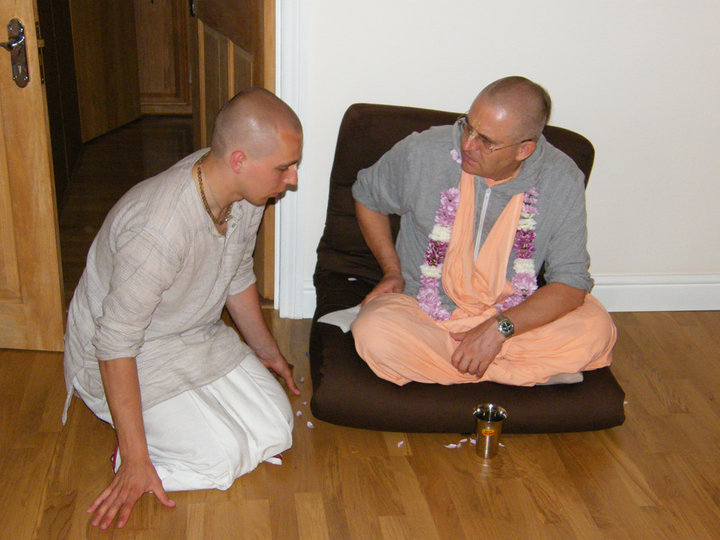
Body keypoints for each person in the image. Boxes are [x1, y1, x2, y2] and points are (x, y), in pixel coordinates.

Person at [62, 88, 303, 530]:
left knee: (276, 428)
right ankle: (133, 456)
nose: (291, 179)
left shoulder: (247, 193)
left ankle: (175, 430)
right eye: (283, 167)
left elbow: (236, 274)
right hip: (122, 353)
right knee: (220, 459)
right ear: (239, 160)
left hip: (193, 333)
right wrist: (136, 457)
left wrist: (268, 352)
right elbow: (114, 341)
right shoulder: (159, 229)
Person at [351, 76, 616, 387]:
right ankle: (520, 373)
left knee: (597, 328)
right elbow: (367, 196)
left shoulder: (561, 178)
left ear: (524, 149)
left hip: (514, 320)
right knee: (373, 332)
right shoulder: (423, 151)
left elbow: (571, 282)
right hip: (423, 314)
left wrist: (499, 329)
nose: (467, 144)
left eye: (486, 141)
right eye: (468, 126)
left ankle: (456, 366)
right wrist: (392, 271)